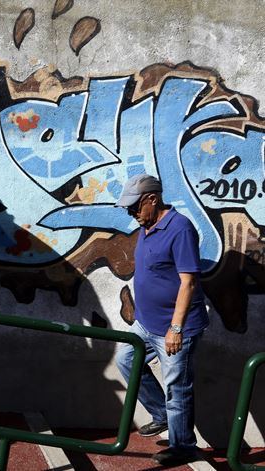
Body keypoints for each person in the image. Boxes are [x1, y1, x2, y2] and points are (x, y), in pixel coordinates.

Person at [113, 174, 208, 467]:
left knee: (177, 387)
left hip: (174, 326)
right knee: (126, 361)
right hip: (146, 323)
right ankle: (162, 414)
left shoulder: (179, 228)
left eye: (135, 206)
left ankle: (183, 446)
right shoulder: (147, 225)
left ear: (152, 199)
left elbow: (188, 282)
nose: (132, 213)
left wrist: (175, 328)